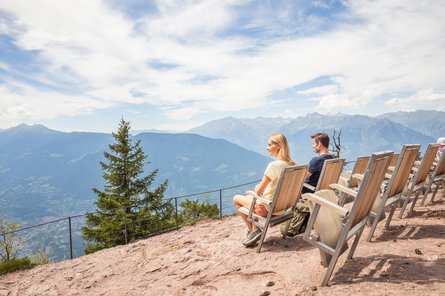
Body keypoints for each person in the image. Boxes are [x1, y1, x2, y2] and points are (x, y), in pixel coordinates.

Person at [233, 133, 295, 247]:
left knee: (236, 198)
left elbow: (258, 190)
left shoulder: (274, 166)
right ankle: (254, 229)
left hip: (267, 209)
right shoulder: (291, 164)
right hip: (282, 208)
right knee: (249, 198)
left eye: (269, 145)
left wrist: (257, 188)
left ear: (279, 146)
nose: (267, 148)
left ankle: (253, 231)